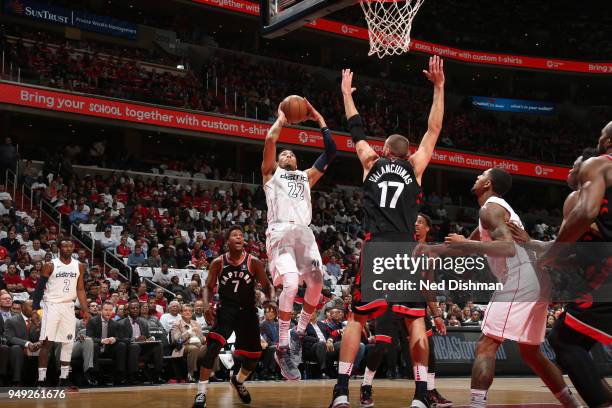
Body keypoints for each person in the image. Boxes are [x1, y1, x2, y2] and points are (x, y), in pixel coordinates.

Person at [330, 56, 445, 408]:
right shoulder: (415, 167)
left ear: (383, 151)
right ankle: (421, 396)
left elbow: (356, 129)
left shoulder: (369, 161)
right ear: (407, 153)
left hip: (376, 247)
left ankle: (340, 392)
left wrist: (348, 94)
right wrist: (439, 88)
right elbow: (433, 131)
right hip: (406, 250)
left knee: (356, 318)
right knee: (414, 324)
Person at [439, 168, 579, 408]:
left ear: (488, 183)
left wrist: (465, 243)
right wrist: (432, 250)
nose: (476, 178)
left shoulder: (490, 208)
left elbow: (506, 248)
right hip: (537, 280)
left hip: (519, 278)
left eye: (481, 175)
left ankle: (476, 405)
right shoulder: (495, 210)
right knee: (531, 353)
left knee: (487, 344)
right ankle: (572, 404)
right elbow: (466, 247)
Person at [510, 137, 612, 407]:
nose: (570, 170)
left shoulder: (582, 193)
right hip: (597, 272)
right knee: (575, 343)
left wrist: (547, 256)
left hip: (605, 277)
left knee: (564, 340)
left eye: (574, 166)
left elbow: (568, 247)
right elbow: (574, 253)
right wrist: (535, 245)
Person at [262, 99, 335, 381]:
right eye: (285, 154)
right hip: (280, 231)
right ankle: (281, 347)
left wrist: (318, 118)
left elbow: (331, 151)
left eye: (292, 154)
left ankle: (298, 333)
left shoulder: (306, 177)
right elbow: (270, 139)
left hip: (304, 233)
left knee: (317, 283)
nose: (288, 155)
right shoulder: (271, 174)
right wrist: (282, 117)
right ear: (278, 161)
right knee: (292, 284)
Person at [359, 213, 452, 408]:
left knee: (428, 347)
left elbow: (429, 285)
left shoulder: (430, 254)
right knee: (382, 345)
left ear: (428, 228)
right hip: (390, 300)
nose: (416, 225)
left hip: (415, 303)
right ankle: (366, 385)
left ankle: (430, 390)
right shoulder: (400, 243)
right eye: (414, 221)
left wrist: (436, 315)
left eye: (420, 222)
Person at [193, 225, 274, 408]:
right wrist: (206, 305)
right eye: (235, 235)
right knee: (212, 348)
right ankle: (201, 394)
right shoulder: (218, 262)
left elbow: (268, 286)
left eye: (241, 235)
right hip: (226, 310)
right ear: (227, 241)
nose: (239, 237)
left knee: (254, 356)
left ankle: (238, 381)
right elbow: (207, 286)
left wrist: (272, 301)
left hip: (247, 311)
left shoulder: (253, 262)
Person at [33, 238, 89, 391]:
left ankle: (64, 378)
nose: (68, 248)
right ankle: (41, 380)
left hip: (68, 306)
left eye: (71, 246)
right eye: (65, 245)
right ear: (59, 248)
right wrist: (34, 309)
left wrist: (85, 309)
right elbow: (39, 289)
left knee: (68, 343)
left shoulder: (79, 266)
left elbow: (80, 289)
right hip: (52, 305)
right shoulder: (50, 265)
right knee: (47, 342)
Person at [118, 300, 163, 385]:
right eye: (133, 308)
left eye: (137, 308)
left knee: (158, 345)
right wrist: (135, 339)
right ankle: (133, 375)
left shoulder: (143, 322)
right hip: (129, 348)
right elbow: (120, 339)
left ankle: (157, 374)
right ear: (128, 310)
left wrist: (151, 338)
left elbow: (148, 335)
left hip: (143, 347)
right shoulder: (121, 323)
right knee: (135, 346)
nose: (135, 310)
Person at [87, 301, 127, 385]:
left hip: (109, 349)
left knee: (121, 345)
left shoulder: (115, 324)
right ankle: (94, 375)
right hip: (97, 348)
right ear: (101, 310)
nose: (108, 312)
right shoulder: (93, 321)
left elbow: (120, 337)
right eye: (106, 310)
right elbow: (89, 337)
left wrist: (114, 339)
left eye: (110, 310)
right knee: (95, 345)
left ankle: (119, 374)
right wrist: (101, 341)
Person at [5, 300, 41, 385]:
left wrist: (37, 326)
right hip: (20, 347)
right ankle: (16, 381)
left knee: (47, 349)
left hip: (35, 348)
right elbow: (10, 338)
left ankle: (42, 381)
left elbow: (40, 338)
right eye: (32, 307)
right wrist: (27, 344)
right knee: (16, 348)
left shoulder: (39, 320)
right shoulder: (11, 321)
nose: (34, 310)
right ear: (23, 308)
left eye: (36, 308)